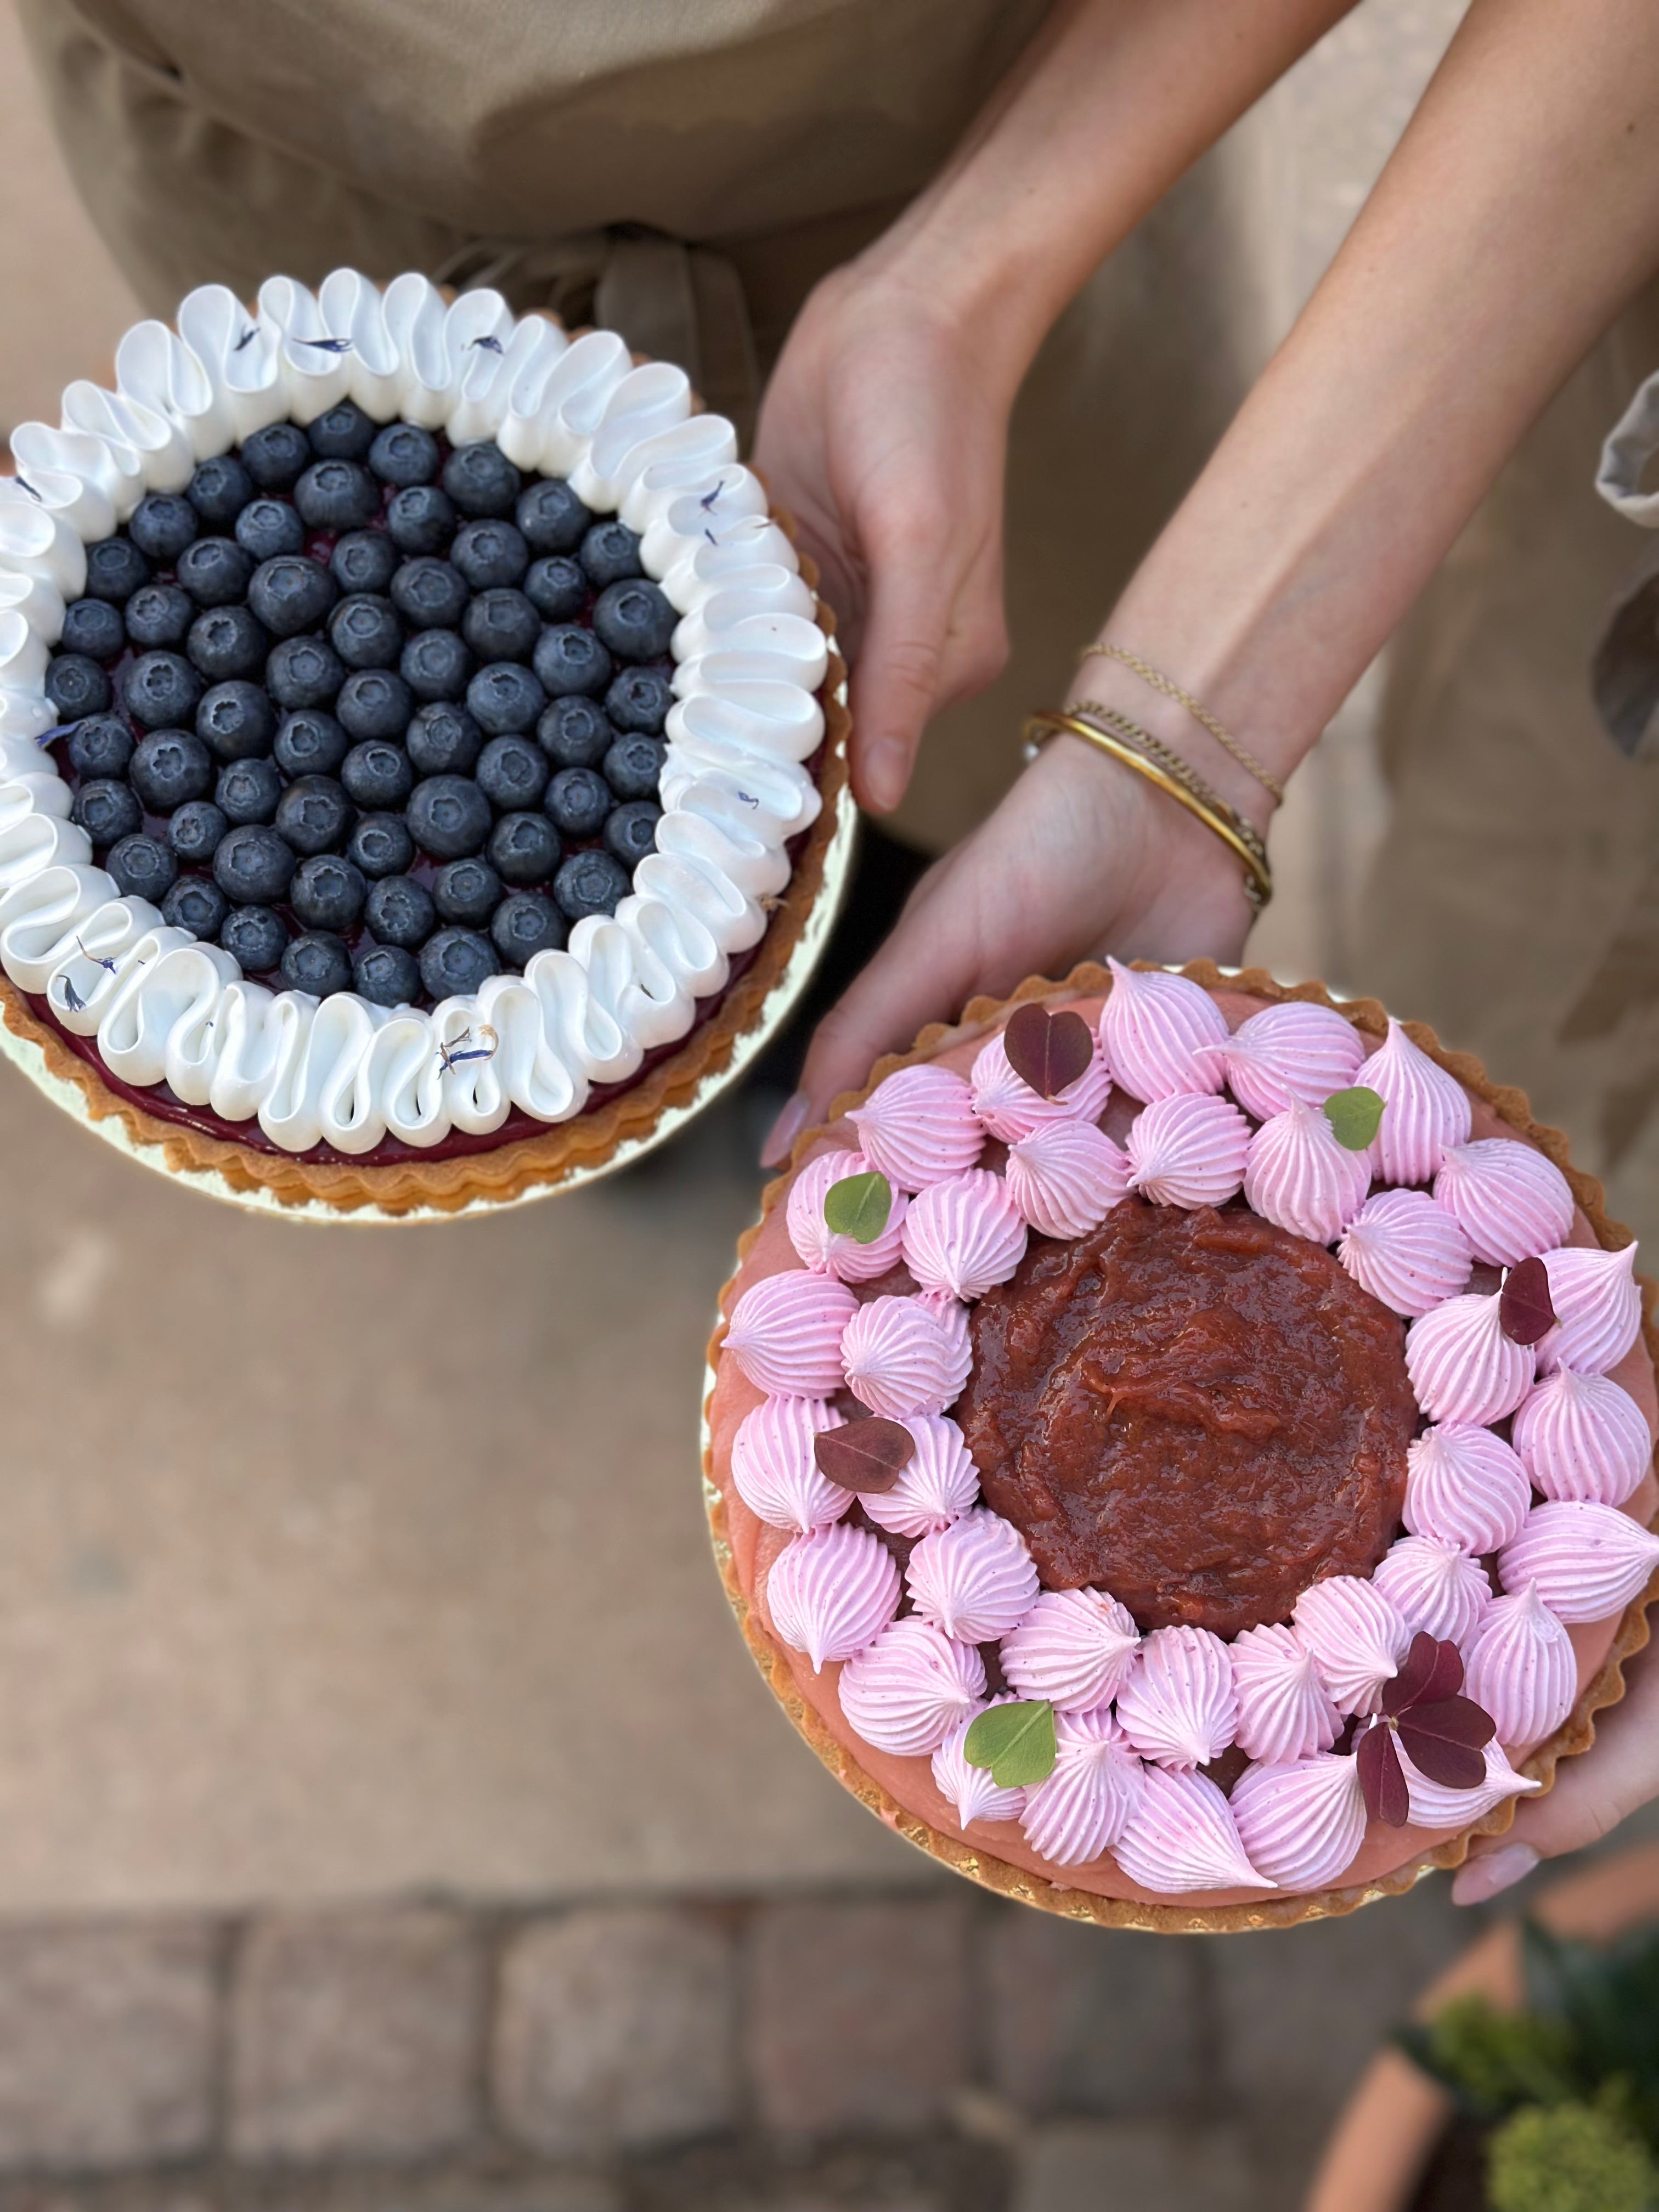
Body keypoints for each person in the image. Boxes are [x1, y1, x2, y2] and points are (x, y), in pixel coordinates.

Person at [19, 0, 1659, 1898]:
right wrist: (1159, 713)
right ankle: (662, 1077)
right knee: (677, 908)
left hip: (1020, 117)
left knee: (969, 715)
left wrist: (989, 282)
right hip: (329, 191)